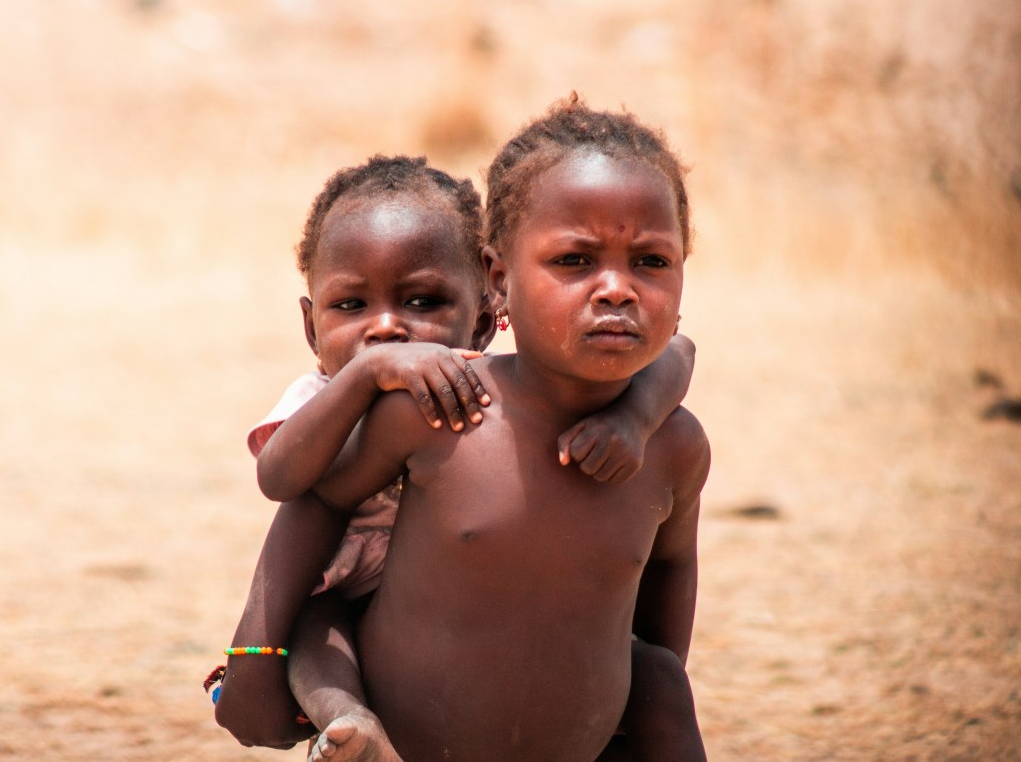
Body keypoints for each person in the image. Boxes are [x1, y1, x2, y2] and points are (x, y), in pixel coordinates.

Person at [213, 153, 697, 759]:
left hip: (486, 629)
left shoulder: (470, 400)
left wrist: (635, 417)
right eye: (351, 306)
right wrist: (366, 376)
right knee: (319, 624)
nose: (386, 328)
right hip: (353, 598)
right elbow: (286, 485)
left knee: (654, 672)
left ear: (487, 317)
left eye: (422, 303)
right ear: (311, 328)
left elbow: (678, 350)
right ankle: (348, 723)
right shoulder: (324, 399)